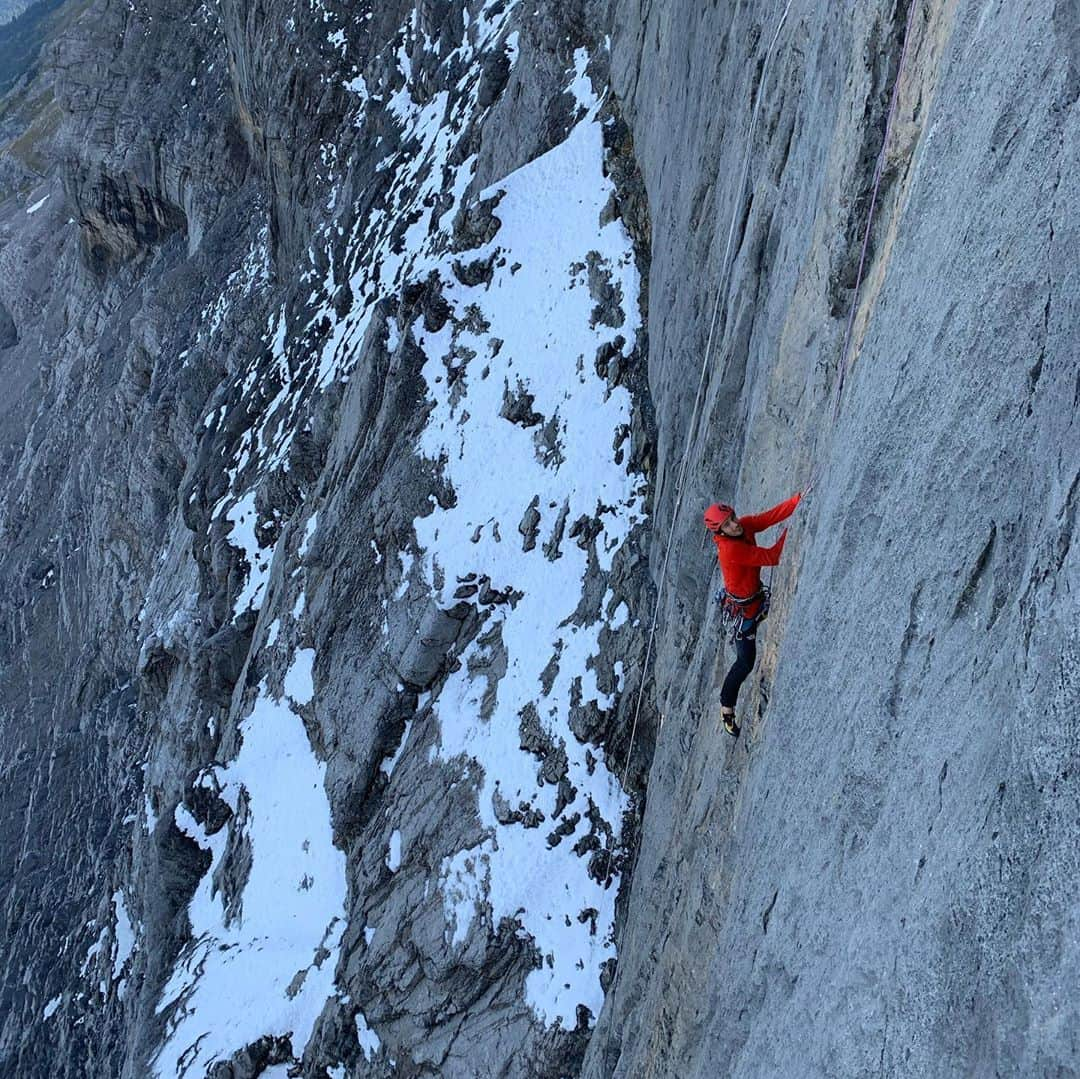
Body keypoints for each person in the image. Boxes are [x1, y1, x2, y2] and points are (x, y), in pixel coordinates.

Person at [704, 493, 802, 738]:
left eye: (733, 518)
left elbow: (770, 517)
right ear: (720, 531)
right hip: (745, 614)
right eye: (727, 524)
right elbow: (772, 557)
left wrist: (798, 501)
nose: (735, 524)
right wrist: (795, 526)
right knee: (745, 663)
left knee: (747, 656)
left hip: (756, 601)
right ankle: (727, 709)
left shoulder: (744, 526)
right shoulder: (729, 550)